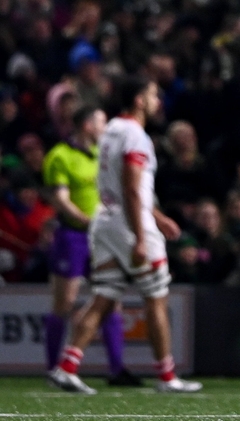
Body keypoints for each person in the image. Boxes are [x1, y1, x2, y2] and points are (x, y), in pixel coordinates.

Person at [48, 76, 202, 394]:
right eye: (153, 94)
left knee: (104, 296)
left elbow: (122, 185)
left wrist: (158, 216)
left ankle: (67, 366)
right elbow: (132, 188)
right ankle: (167, 376)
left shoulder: (110, 130)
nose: (158, 101)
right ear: (139, 100)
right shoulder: (135, 135)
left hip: (104, 220)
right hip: (129, 224)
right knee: (156, 296)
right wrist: (142, 235)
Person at [42, 105, 141, 386]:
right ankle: (53, 369)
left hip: (103, 237)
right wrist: (88, 220)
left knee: (111, 300)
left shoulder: (103, 154)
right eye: (101, 122)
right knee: (65, 302)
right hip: (73, 236)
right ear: (87, 125)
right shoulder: (60, 155)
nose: (105, 128)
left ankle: (117, 370)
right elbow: (61, 199)